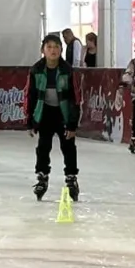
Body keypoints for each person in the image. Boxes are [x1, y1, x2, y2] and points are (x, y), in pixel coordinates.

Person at [28, 33, 81, 201]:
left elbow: (75, 98)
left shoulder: (67, 70)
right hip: (45, 113)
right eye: (49, 47)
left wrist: (72, 124)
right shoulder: (36, 70)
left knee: (68, 147)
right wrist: (30, 121)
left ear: (61, 50)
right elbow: (31, 95)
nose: (53, 51)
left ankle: (71, 177)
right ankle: (42, 177)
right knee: (43, 146)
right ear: (43, 50)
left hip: (63, 114)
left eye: (56, 47)